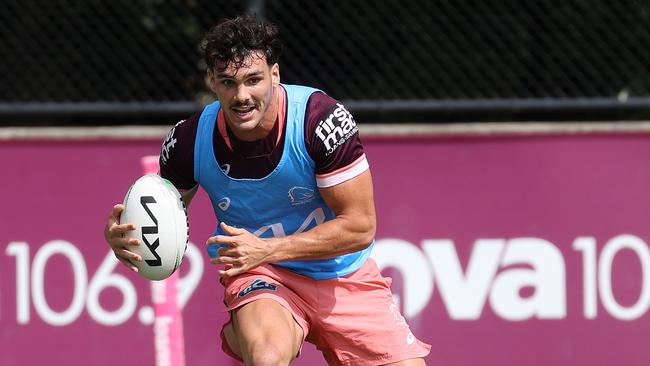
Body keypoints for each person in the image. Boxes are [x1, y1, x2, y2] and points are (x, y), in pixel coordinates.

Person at [104, 15, 431, 366]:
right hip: (263, 277)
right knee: (267, 356)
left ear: (275, 75)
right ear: (212, 80)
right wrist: (126, 238)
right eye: (228, 82)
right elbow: (159, 216)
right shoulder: (188, 140)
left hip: (343, 275)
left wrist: (267, 248)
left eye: (253, 80)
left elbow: (360, 227)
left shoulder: (320, 121)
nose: (241, 96)